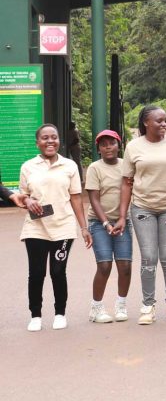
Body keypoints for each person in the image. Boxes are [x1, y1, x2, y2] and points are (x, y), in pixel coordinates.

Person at [115, 105, 166, 325]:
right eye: (159, 121)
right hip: (142, 209)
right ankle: (148, 306)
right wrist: (122, 216)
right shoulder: (133, 146)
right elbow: (126, 182)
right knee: (148, 258)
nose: (164, 124)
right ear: (146, 123)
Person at [19, 124, 92, 332]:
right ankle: (35, 315)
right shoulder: (28, 166)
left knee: (58, 272)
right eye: (45, 138)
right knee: (36, 273)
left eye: (54, 137)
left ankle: (60, 313)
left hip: (63, 227)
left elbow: (76, 198)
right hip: (36, 228)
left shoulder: (69, 166)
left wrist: (83, 228)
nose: (50, 141)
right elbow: (22, 195)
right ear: (37, 143)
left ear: (59, 140)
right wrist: (27, 200)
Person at [85, 129, 132, 323]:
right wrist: (105, 223)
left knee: (125, 265)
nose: (108, 147)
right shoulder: (95, 168)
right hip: (99, 222)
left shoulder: (126, 166)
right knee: (104, 265)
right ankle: (96, 308)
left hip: (122, 221)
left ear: (118, 145)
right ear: (99, 149)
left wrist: (121, 218)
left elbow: (128, 192)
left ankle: (121, 305)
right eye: (103, 144)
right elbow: (94, 199)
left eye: (112, 143)